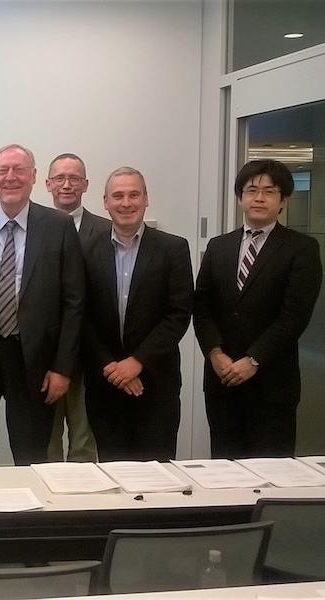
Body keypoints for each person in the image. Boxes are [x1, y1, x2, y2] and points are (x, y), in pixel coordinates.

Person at [0, 144, 84, 467]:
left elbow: (74, 302)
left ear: (34, 176)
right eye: (3, 170)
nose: (10, 177)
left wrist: (62, 367)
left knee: (32, 455)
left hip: (34, 357)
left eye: (19, 170)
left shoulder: (58, 226)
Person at [194, 159, 322, 458]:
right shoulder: (218, 246)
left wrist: (253, 360)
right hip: (222, 381)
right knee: (223, 468)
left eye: (269, 191)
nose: (259, 198)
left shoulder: (301, 248)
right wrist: (214, 352)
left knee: (269, 471)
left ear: (283, 201)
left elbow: (294, 316)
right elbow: (201, 306)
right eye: (251, 190)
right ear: (240, 198)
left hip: (272, 384)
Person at [82, 167, 194, 461]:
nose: (126, 203)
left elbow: (178, 314)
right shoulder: (86, 250)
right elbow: (81, 315)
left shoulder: (173, 248)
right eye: (118, 196)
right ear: (105, 202)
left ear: (146, 199)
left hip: (155, 384)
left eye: (134, 195)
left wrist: (136, 362)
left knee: (158, 472)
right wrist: (111, 366)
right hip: (105, 384)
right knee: (112, 470)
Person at [44, 153, 109, 463]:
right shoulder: (35, 228)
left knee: (84, 440)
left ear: (86, 184)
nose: (67, 185)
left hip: (91, 351)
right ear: (48, 184)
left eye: (74, 178)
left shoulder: (107, 230)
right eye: (59, 178)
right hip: (47, 353)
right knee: (46, 440)